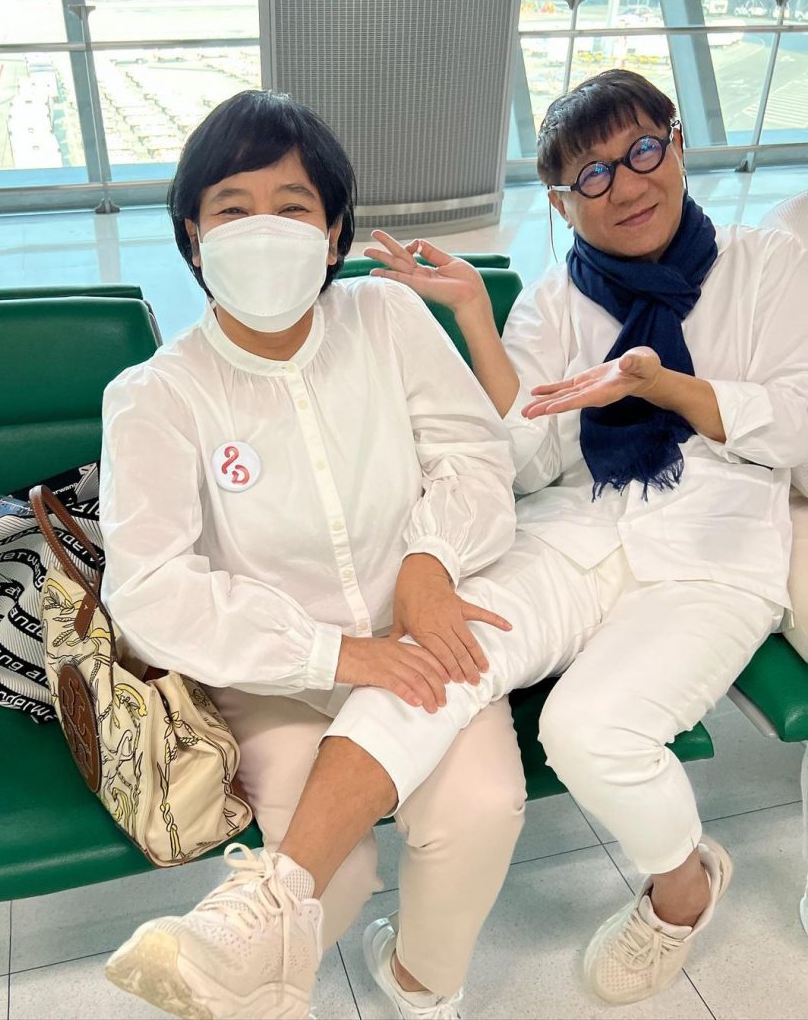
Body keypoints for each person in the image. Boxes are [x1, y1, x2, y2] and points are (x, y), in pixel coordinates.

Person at [362, 69, 808, 1006]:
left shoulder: (769, 267)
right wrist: (477, 320)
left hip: (713, 555)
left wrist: (665, 387)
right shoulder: (555, 300)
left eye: (642, 150)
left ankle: (682, 891)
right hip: (573, 532)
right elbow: (524, 460)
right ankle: (275, 899)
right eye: (594, 175)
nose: (627, 185)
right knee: (428, 661)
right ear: (563, 203)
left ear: (678, 144)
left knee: (589, 731)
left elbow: (800, 425)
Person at [100, 89, 529, 1020]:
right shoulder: (156, 396)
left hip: (417, 633)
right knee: (332, 870)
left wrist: (430, 562)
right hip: (270, 674)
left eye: (292, 207)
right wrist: (332, 655)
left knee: (482, 807)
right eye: (232, 208)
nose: (263, 229)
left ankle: (420, 983)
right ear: (193, 237)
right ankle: (257, 977)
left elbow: (474, 454)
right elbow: (152, 587)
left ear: (334, 234)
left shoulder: (387, 320)